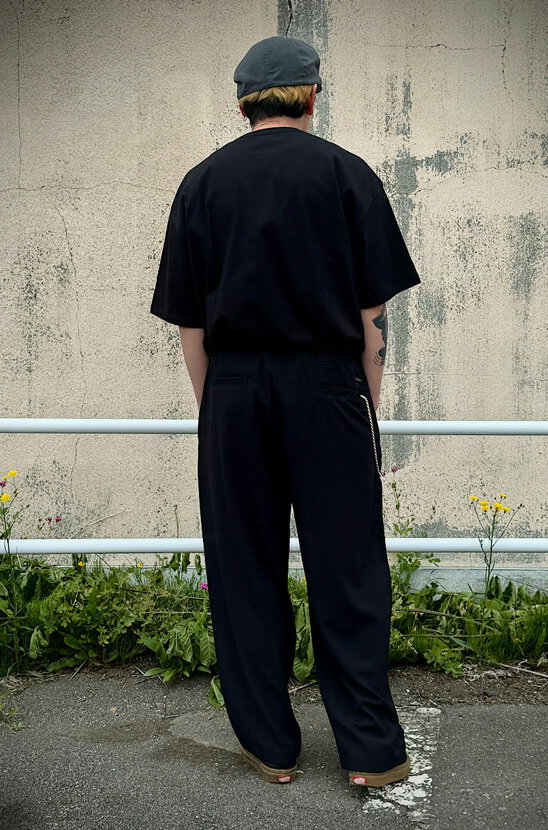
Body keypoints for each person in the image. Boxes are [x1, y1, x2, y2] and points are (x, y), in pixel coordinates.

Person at [150, 36, 421, 787]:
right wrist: (362, 403)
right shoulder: (347, 175)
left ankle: (270, 745)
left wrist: (219, 409)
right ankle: (370, 750)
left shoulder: (201, 183)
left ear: (243, 102)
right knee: (348, 564)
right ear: (311, 95)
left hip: (234, 390)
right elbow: (370, 319)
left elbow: (190, 325)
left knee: (244, 564)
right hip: (328, 386)